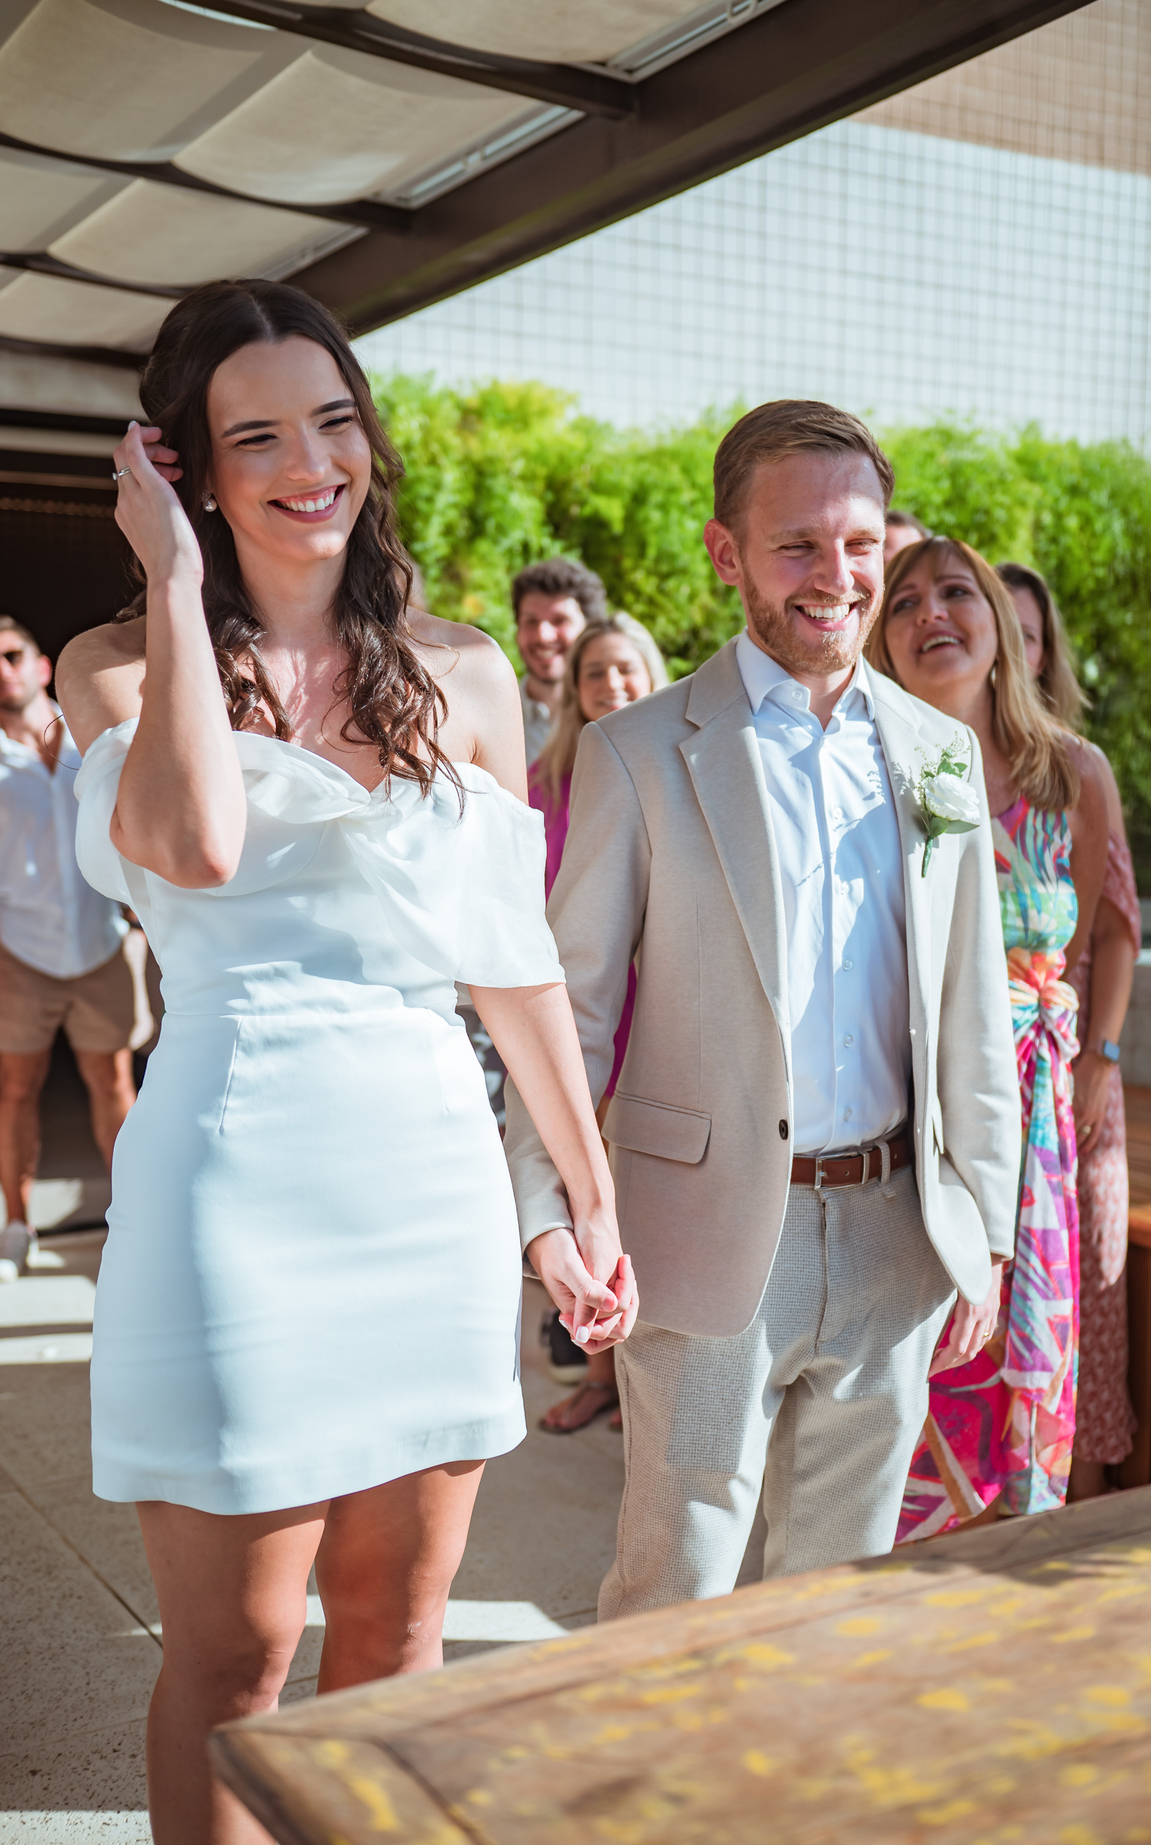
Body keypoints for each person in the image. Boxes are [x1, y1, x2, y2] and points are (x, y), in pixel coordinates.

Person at [56, 278, 635, 1845]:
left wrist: (582, 1199)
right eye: (255, 437)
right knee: (239, 1660)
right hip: (229, 1180)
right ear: (181, 466)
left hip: (428, 1180)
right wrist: (177, 581)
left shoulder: (467, 671)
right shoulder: (118, 661)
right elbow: (195, 839)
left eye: (332, 422)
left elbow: (512, 960)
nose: (311, 464)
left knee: (398, 1639)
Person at [504, 400, 1023, 1615]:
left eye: (860, 544)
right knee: (674, 1588)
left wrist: (985, 1232)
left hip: (899, 1230)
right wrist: (549, 1212)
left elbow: (974, 1008)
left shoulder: (938, 753)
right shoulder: (636, 750)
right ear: (725, 552)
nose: (837, 576)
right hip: (695, 1231)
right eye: (798, 545)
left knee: (839, 1599)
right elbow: (572, 1012)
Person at [869, 538, 1108, 1536]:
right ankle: (911, 1553)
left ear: (1003, 627)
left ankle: (1007, 1559)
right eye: (905, 601)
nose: (931, 613)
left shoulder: (1072, 775)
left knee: (1021, 1342)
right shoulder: (876, 773)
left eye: (955, 592)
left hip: (1036, 1107)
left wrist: (1083, 1056)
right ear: (881, 642)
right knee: (923, 1347)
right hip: (913, 1103)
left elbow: (1086, 939)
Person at [999, 560, 1139, 1494]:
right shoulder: (941, 763)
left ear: (1046, 652)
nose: (1014, 652)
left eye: (1029, 635)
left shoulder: (1077, 767)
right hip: (990, 1063)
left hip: (1075, 1049)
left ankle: (1077, 1511)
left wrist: (1101, 1056)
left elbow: (1121, 926)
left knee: (1090, 1275)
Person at [528, 614, 669, 1433]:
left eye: (626, 669)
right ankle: (597, 1370)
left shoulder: (683, 763)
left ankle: (647, 1380)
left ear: (652, 673)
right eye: (595, 673)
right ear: (574, 691)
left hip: (660, 1011)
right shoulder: (547, 779)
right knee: (587, 1188)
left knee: (648, 1196)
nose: (612, 685)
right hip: (577, 1011)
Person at [0, 615, 137, 1278]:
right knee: (16, 1089)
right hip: (19, 951)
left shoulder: (91, 731)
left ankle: (134, 1218)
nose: (3, 670)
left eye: (11, 655)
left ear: (42, 665)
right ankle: (16, 1226)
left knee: (113, 1081)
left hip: (98, 941)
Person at [511, 558, 607, 767]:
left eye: (560, 620)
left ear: (590, 629)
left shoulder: (612, 713)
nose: (544, 635)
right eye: (531, 621)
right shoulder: (495, 717)